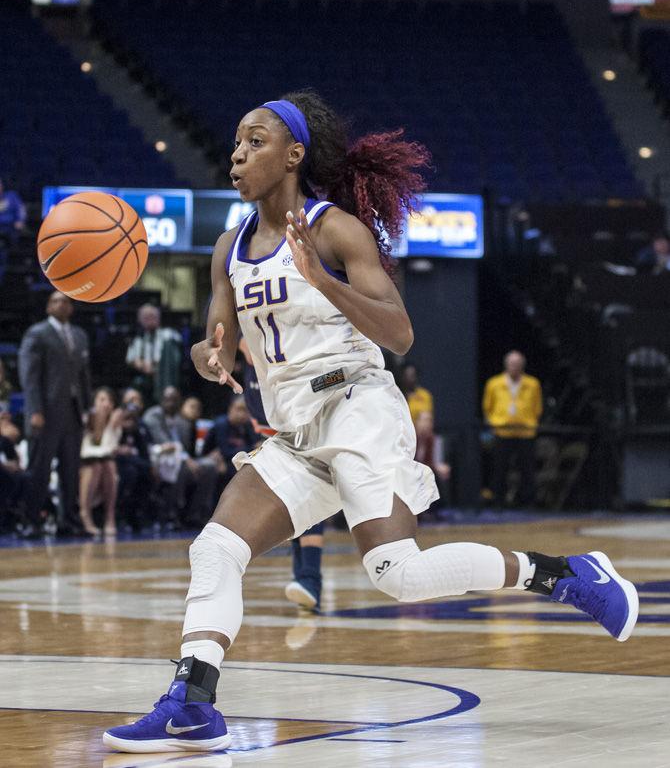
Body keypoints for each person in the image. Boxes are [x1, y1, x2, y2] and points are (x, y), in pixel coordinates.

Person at [103, 90, 639, 755]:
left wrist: (322, 282)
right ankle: (192, 701)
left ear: (294, 155)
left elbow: (401, 332)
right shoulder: (226, 249)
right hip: (295, 435)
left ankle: (564, 572)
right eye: (236, 140)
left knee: (397, 572)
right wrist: (209, 354)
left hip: (358, 410)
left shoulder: (336, 231)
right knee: (214, 548)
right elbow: (212, 337)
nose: (237, 151)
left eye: (256, 139)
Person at [238, 335, 323, 612]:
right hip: (276, 437)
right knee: (296, 505)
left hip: (309, 430)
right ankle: (305, 580)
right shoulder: (250, 366)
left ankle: (309, 580)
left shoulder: (288, 356)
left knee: (309, 500)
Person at [18, 290, 92, 538]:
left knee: (70, 469)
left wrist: (88, 408)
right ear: (49, 306)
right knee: (39, 468)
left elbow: (84, 377)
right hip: (46, 412)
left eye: (66, 301)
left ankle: (67, 520)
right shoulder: (37, 334)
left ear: (71, 308)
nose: (62, 304)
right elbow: (30, 377)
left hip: (73, 411)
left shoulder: (80, 335)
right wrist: (34, 410)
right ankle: (31, 521)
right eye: (56, 300)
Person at [143, 386, 218, 528]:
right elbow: (164, 443)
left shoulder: (180, 419)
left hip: (178, 459)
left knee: (209, 466)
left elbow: (188, 449)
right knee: (181, 466)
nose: (171, 403)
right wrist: (185, 458)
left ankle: (195, 514)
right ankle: (172, 514)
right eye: (168, 399)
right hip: (157, 459)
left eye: (175, 400)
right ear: (161, 399)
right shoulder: (153, 415)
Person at [482, 350, 543, 508]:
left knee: (527, 470)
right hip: (502, 431)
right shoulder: (494, 384)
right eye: (511, 363)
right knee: (500, 469)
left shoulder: (533, 384)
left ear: (522, 365)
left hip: (526, 432)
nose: (514, 366)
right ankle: (498, 502)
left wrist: (529, 421)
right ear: (506, 364)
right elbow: (487, 407)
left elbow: (538, 408)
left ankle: (528, 503)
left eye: (517, 364)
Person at [79, 387, 123, 537]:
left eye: (110, 401)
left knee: (108, 465)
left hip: (104, 467)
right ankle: (85, 513)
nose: (106, 404)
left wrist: (110, 426)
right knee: (95, 467)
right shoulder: (85, 419)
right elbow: (85, 451)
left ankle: (110, 517)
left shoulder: (115, 423)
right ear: (94, 402)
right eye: (102, 399)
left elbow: (108, 449)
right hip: (82, 466)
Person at [126, 304, 183, 406]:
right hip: (145, 377)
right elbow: (130, 359)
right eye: (146, 317)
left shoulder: (168, 334)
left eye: (153, 316)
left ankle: (167, 394)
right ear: (140, 320)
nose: (150, 320)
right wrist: (141, 364)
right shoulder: (138, 339)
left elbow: (176, 350)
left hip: (165, 375)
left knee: (168, 346)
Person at [114, 388, 152, 533]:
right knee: (131, 473)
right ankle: (122, 516)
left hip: (137, 463)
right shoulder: (116, 418)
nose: (133, 404)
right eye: (130, 400)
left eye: (137, 400)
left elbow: (146, 450)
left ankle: (138, 516)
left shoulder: (141, 425)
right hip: (117, 462)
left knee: (145, 471)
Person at [0, 409, 27, 533]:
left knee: (23, 476)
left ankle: (11, 517)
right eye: (4, 420)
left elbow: (16, 461)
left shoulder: (5, 441)